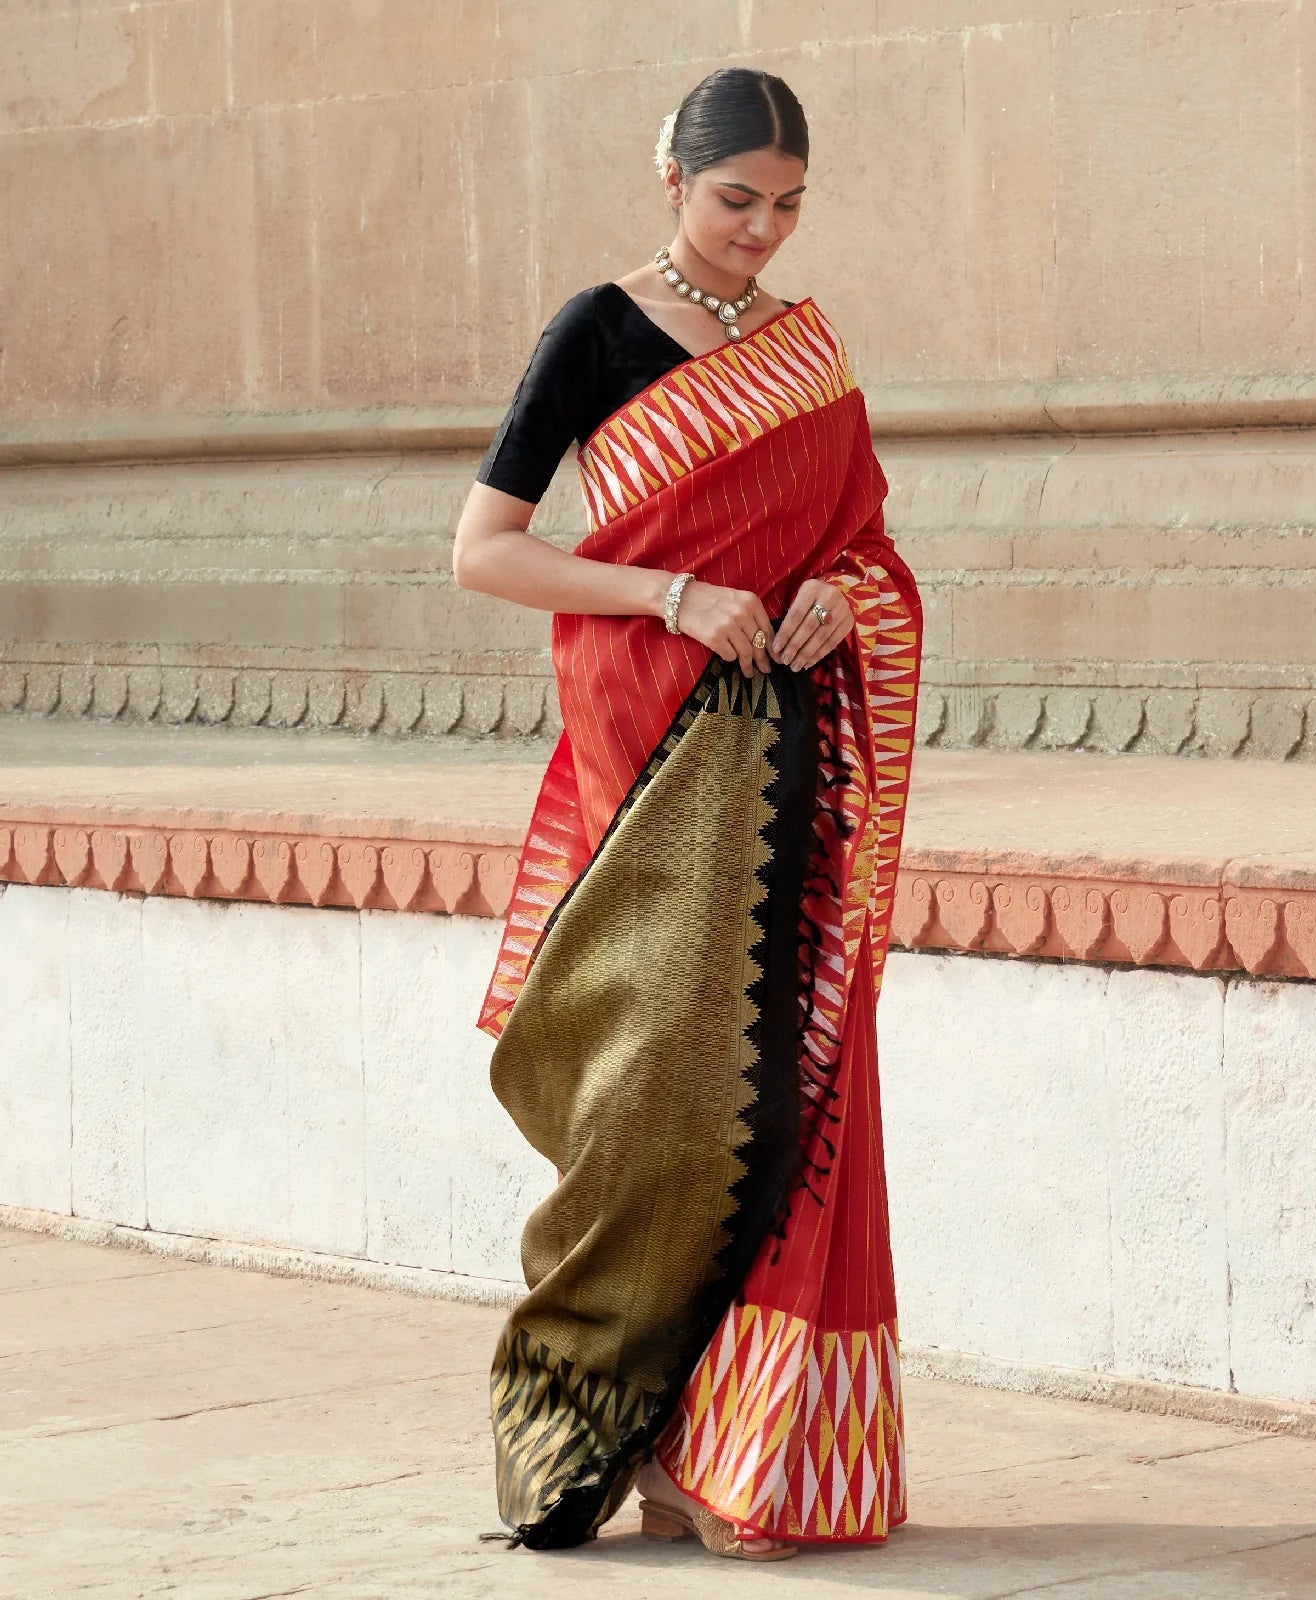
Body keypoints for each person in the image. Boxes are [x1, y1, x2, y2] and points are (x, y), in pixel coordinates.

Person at [452, 65, 922, 1563]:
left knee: (775, 1096)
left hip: (785, 757)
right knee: (651, 1107)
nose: (761, 231)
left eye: (788, 205)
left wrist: (841, 594)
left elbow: (866, 541)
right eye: (736, 200)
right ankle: (584, 1419)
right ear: (672, 177)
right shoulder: (596, 332)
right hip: (648, 750)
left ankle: (726, 1450)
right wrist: (671, 593)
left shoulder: (807, 351)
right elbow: (486, 551)